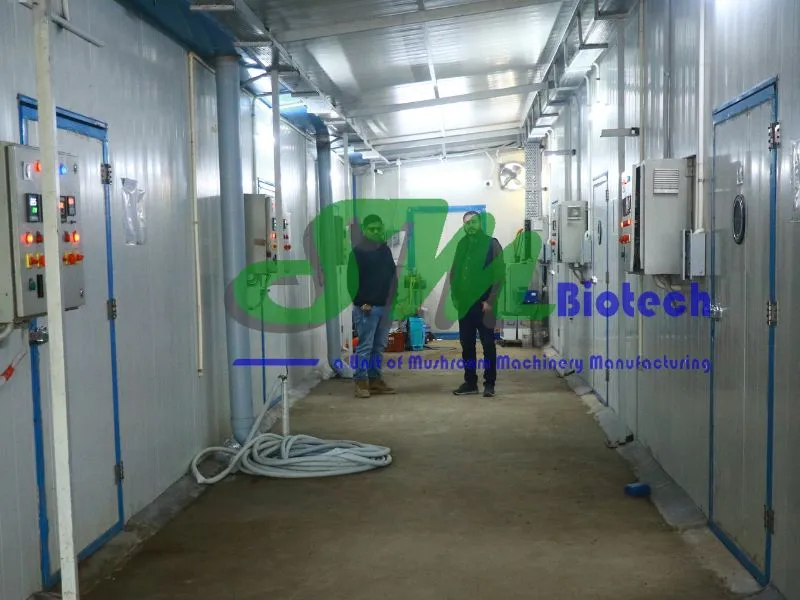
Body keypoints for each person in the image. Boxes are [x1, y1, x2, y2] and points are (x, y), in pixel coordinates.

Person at [449, 211, 505, 397]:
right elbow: (455, 271)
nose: (470, 225)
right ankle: (470, 382)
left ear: (480, 223)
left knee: (488, 344)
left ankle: (490, 383)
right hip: (465, 305)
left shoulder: (492, 244)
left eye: (473, 222)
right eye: (466, 223)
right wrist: (455, 297)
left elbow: (499, 275)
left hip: (485, 305)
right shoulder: (462, 244)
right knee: (467, 345)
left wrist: (491, 300)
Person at [347, 214, 398, 398]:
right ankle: (361, 382)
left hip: (385, 307)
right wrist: (362, 301)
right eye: (372, 229)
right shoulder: (358, 252)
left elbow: (392, 276)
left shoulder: (385, 250)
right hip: (367, 308)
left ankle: (375, 380)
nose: (376, 232)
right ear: (365, 231)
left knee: (379, 346)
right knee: (365, 346)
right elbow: (351, 282)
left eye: (378, 228)